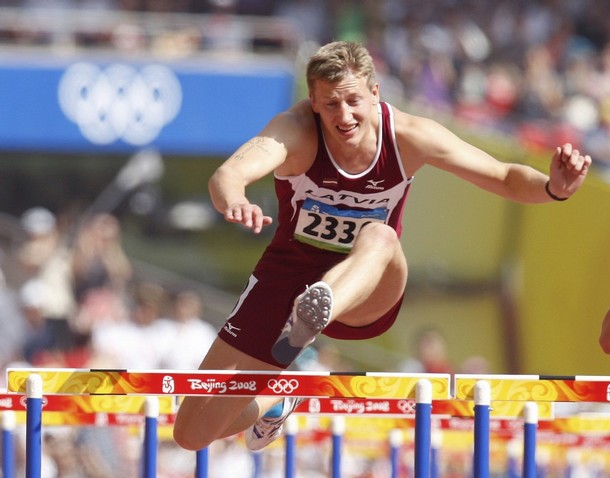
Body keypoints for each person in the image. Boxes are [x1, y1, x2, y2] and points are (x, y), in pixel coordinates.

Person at [173, 40, 591, 452]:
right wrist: (236, 201)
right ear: (314, 104)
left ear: (375, 93)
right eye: (331, 104)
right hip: (288, 283)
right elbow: (228, 175)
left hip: (368, 289)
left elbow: (500, 175)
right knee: (192, 434)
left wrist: (554, 188)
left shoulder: (410, 135)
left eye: (353, 101)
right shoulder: (295, 131)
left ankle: (318, 310)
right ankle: (276, 400)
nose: (344, 116)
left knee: (380, 235)